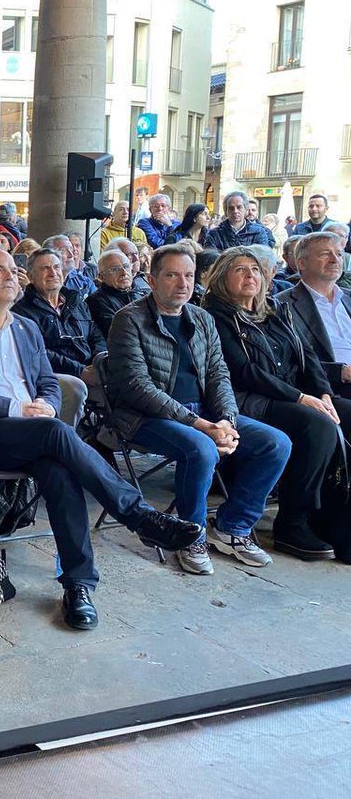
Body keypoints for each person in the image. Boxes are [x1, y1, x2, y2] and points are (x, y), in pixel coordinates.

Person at [0, 247, 203, 628]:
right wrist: (17, 408)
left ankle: (78, 584)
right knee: (56, 435)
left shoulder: (27, 328)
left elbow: (47, 383)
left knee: (60, 471)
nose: (11, 275)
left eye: (12, 269)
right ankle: (139, 517)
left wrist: (48, 405)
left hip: (37, 432)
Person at [107, 245, 291, 575]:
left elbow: (219, 373)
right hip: (145, 418)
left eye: (189, 275)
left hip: (203, 414)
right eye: (172, 275)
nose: (183, 283)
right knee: (201, 449)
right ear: (151, 280)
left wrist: (227, 421)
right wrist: (200, 425)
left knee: (275, 444)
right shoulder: (129, 319)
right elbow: (137, 387)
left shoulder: (202, 318)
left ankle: (233, 526)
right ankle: (190, 534)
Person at [203, 248, 350, 561]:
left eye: (255, 270)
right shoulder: (217, 314)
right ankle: (293, 520)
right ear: (222, 277)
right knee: (316, 425)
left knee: (342, 413)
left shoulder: (275, 309)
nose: (250, 276)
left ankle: (336, 514)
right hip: (247, 399)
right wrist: (300, 397)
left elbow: (308, 356)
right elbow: (243, 371)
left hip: (295, 393)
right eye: (240, 270)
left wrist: (323, 393)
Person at [13, 249, 104, 385]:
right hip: (55, 375)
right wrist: (80, 371)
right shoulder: (21, 311)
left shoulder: (76, 302)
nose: (53, 273)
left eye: (56, 267)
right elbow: (38, 351)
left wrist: (100, 363)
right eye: (45, 268)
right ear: (30, 277)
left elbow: (95, 334)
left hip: (91, 369)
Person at [280, 232, 351, 400]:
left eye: (339, 254)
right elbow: (287, 363)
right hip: (330, 389)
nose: (335, 259)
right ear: (302, 263)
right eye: (325, 254)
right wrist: (341, 372)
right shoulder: (282, 305)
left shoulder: (348, 298)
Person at [87, 247, 150, 340]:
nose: (124, 273)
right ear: (101, 277)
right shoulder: (96, 301)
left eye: (126, 266)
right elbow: (120, 332)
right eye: (115, 269)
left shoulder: (144, 293)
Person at [204, 191, 274, 251]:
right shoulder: (215, 234)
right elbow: (211, 258)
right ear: (226, 211)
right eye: (231, 208)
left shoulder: (258, 232)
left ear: (245, 209)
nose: (235, 211)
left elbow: (263, 257)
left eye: (239, 207)